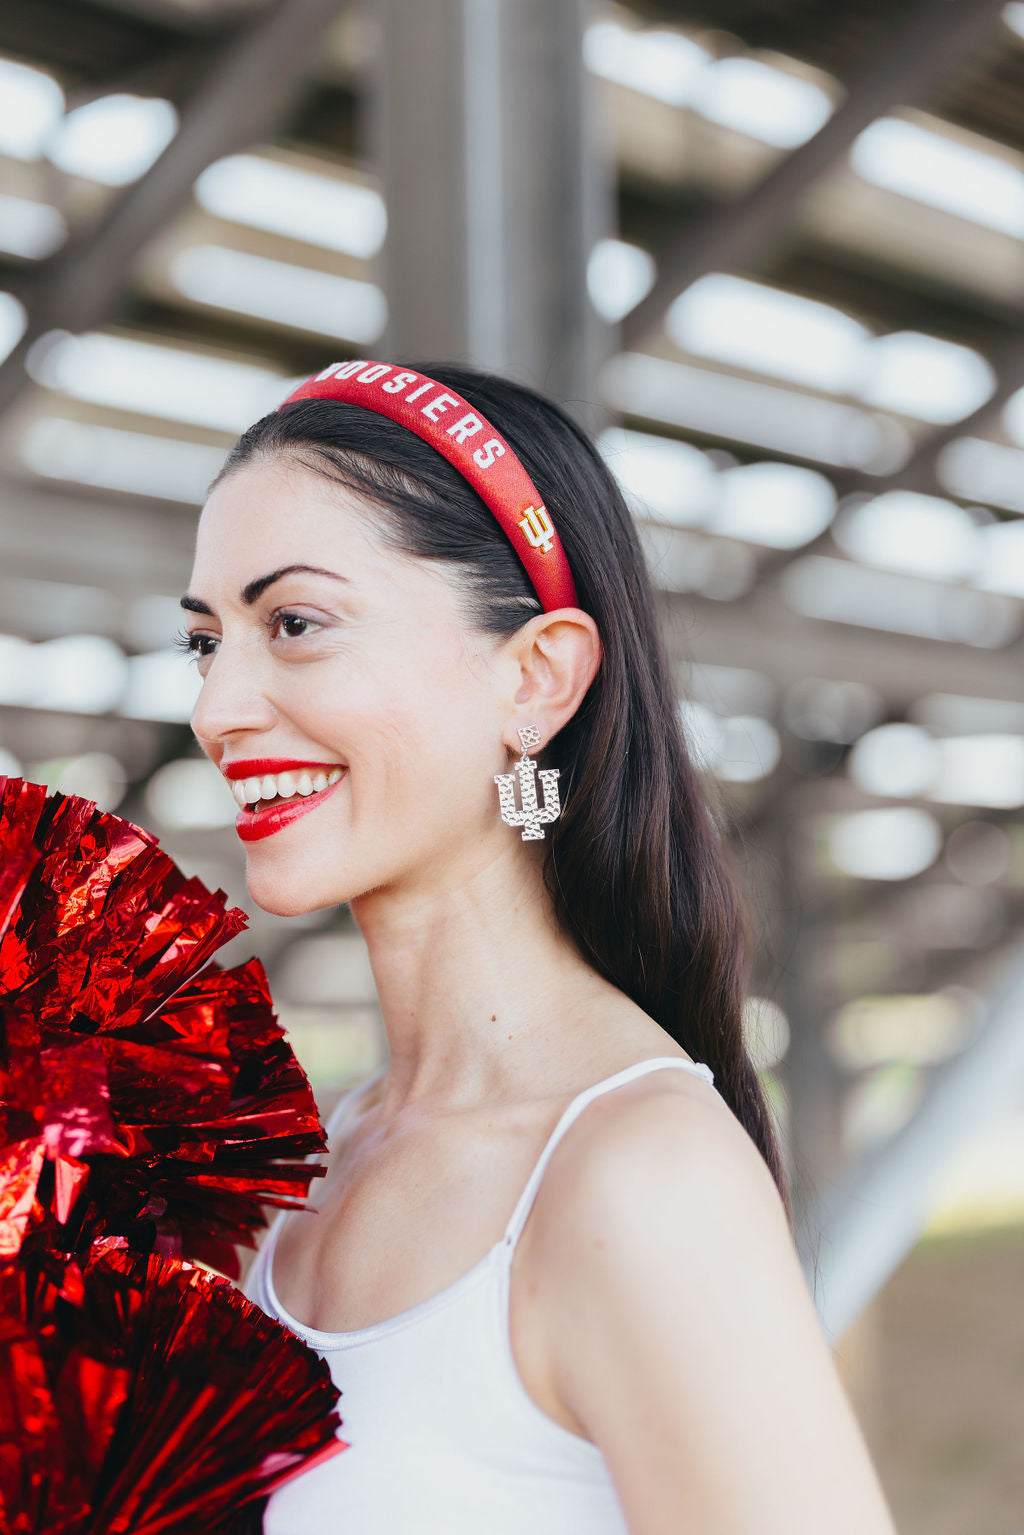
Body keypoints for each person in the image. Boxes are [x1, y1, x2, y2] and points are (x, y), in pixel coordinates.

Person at [178, 359, 898, 1534]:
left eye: (294, 622)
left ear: (536, 676)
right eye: (204, 641)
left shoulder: (639, 1177)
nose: (216, 707)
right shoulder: (292, 1174)